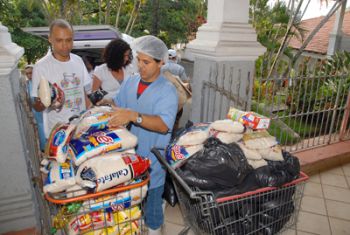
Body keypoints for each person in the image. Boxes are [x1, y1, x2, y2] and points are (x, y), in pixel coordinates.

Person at [107, 35, 178, 234]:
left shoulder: (167, 91)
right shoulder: (130, 83)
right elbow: (119, 105)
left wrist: (133, 116)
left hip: (152, 161)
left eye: (146, 62)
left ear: (161, 62)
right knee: (130, 207)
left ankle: (155, 227)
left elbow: (164, 125)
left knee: (152, 207)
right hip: (128, 159)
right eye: (138, 60)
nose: (140, 65)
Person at [31, 19, 91, 140]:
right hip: (58, 133)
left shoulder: (78, 61)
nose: (65, 45)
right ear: (50, 39)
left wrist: (93, 115)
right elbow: (36, 106)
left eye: (68, 40)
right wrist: (49, 102)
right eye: (59, 40)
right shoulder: (41, 67)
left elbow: (84, 93)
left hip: (81, 129)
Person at [25, 65, 46, 151]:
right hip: (35, 110)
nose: (29, 75)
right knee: (40, 127)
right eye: (27, 74)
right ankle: (43, 147)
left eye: (30, 73)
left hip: (43, 109)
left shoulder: (40, 82)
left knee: (45, 127)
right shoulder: (26, 84)